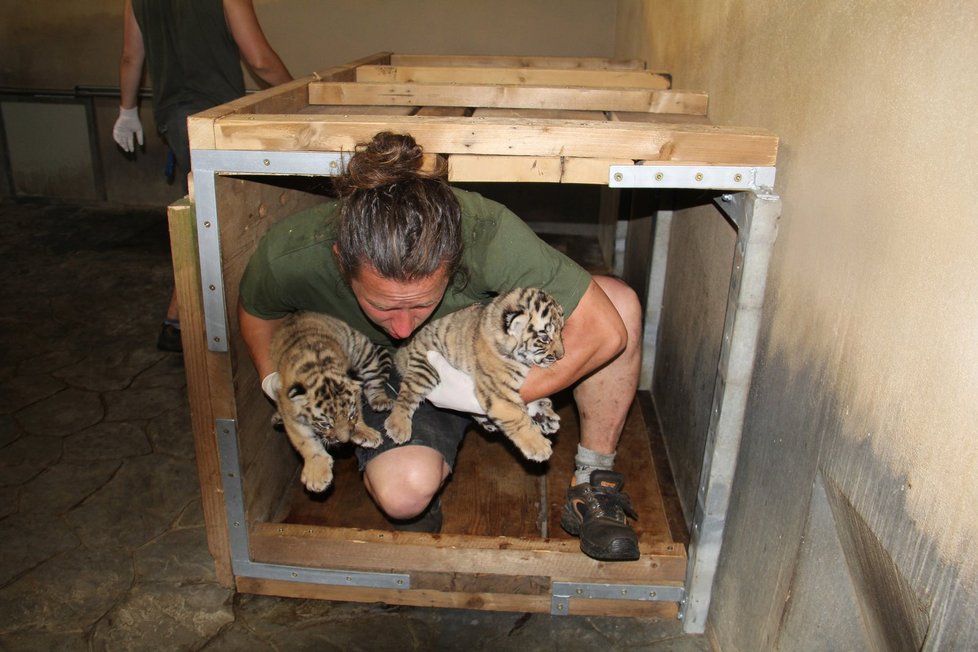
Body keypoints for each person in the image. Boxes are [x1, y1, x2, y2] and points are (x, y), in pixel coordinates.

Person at [238, 132, 644, 561]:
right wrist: (275, 382)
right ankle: (423, 465)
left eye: (421, 303)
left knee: (618, 303)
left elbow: (606, 331)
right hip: (390, 370)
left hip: (482, 347)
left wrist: (486, 397)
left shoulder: (486, 231)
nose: (400, 325)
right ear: (341, 261)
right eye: (382, 305)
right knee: (404, 491)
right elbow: (259, 313)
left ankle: (594, 478)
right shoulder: (293, 252)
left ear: (454, 259)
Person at [113, 0, 293, 352]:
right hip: (214, 119)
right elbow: (260, 60)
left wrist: (127, 109)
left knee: (201, 216)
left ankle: (177, 319)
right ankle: (198, 326)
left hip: (174, 118)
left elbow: (131, 58)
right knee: (214, 224)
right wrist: (299, 97)